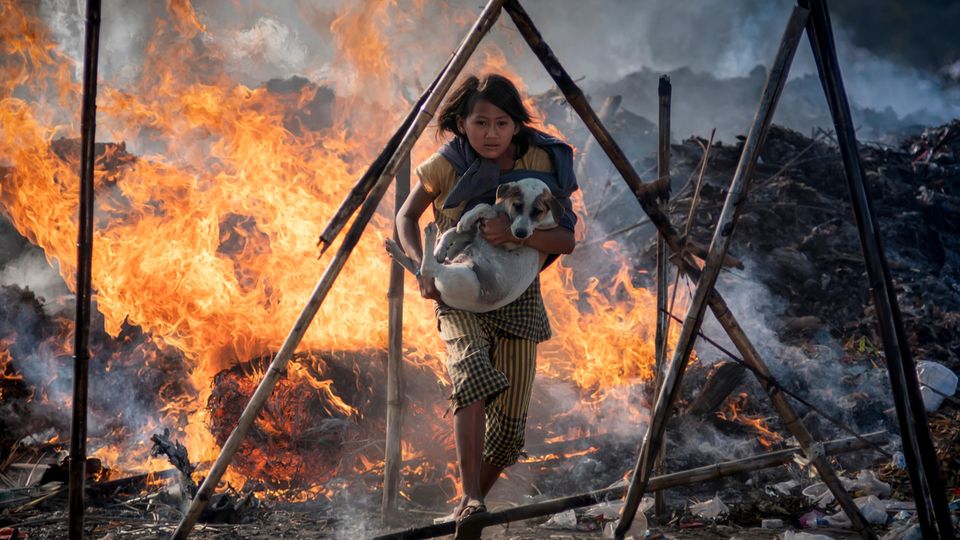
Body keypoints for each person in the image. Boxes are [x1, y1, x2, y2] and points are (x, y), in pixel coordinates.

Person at [396, 73, 578, 539]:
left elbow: (566, 238)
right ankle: (473, 500)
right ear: (462, 123)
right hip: (461, 291)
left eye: (502, 122)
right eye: (480, 122)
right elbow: (406, 217)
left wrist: (518, 235)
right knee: (471, 373)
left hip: (519, 298)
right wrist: (423, 267)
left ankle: (468, 505)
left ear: (517, 126)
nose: (491, 133)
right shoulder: (447, 164)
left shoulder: (543, 160)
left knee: (511, 427)